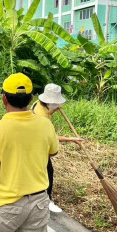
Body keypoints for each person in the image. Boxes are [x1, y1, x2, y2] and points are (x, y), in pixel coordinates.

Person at [0, 73, 59, 232]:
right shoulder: (46, 124)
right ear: (31, 98)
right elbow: (53, 151)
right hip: (38, 203)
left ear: (4, 99)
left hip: (6, 205)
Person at [32, 83, 82, 213]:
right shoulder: (41, 117)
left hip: (36, 143)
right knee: (48, 171)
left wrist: (54, 110)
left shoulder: (39, 104)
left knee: (44, 171)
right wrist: (72, 140)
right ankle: (46, 199)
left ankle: (40, 196)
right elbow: (53, 137)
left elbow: (47, 114)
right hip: (39, 147)